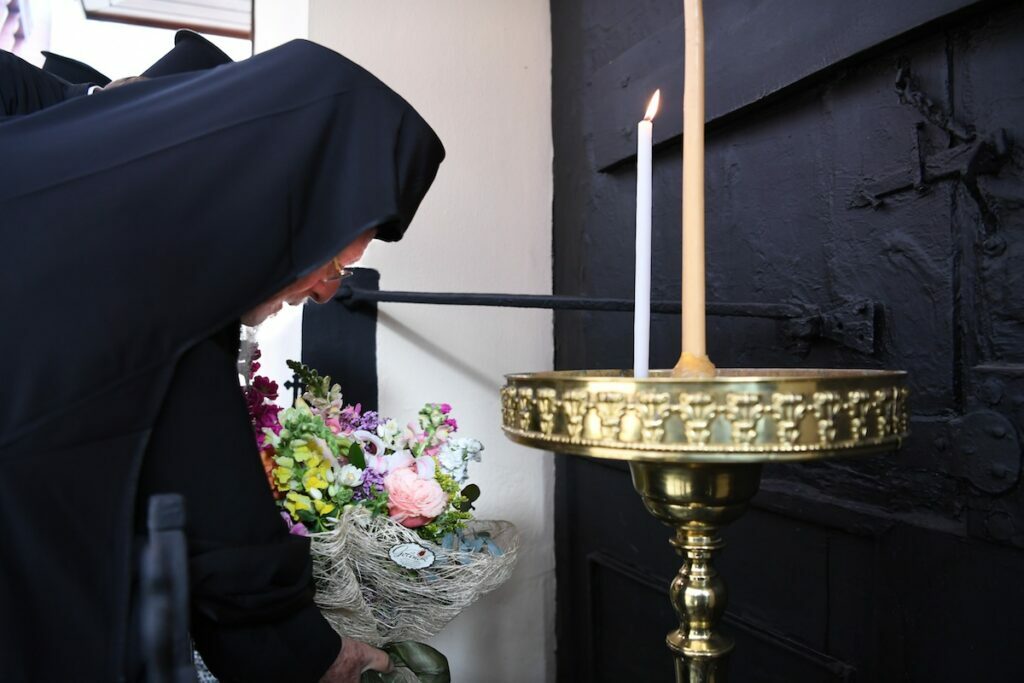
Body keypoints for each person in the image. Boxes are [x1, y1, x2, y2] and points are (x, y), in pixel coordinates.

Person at [0, 37, 445, 683]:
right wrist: (323, 656)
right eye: (335, 261)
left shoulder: (45, 182)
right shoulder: (151, 285)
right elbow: (225, 540)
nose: (327, 290)